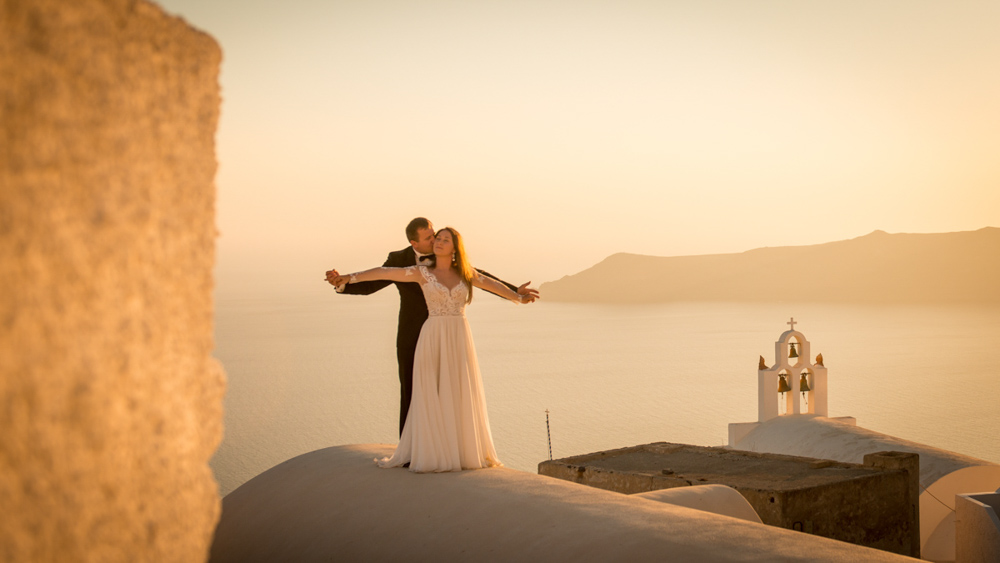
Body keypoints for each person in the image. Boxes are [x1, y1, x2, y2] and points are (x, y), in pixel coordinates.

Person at [329, 227, 536, 471]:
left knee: (458, 389)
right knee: (428, 389)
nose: (438, 242)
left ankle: (459, 450)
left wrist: (518, 296)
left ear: (455, 248)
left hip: (459, 336)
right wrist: (347, 278)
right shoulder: (421, 273)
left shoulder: (466, 273)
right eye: (437, 239)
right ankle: (427, 450)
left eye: (444, 240)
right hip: (432, 335)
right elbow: (383, 272)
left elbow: (492, 284)